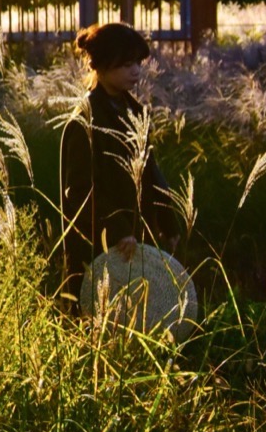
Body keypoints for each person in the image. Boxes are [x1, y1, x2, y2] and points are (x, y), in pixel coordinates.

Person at [59, 22, 178, 298]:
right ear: (100, 65)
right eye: (126, 64)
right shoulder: (84, 119)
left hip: (137, 240)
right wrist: (117, 230)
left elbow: (150, 170)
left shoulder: (134, 111)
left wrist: (167, 220)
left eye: (137, 62)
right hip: (102, 246)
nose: (136, 70)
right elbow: (78, 189)